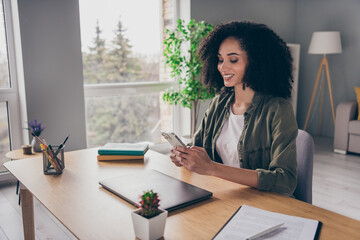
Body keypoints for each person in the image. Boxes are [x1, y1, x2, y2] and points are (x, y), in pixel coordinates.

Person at [170, 21, 298, 196]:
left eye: (233, 59)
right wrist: (185, 157)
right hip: (223, 196)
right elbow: (199, 148)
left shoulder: (278, 110)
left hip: (263, 203)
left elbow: (285, 181)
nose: (223, 67)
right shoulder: (218, 104)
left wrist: (213, 168)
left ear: (256, 62)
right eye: (220, 60)